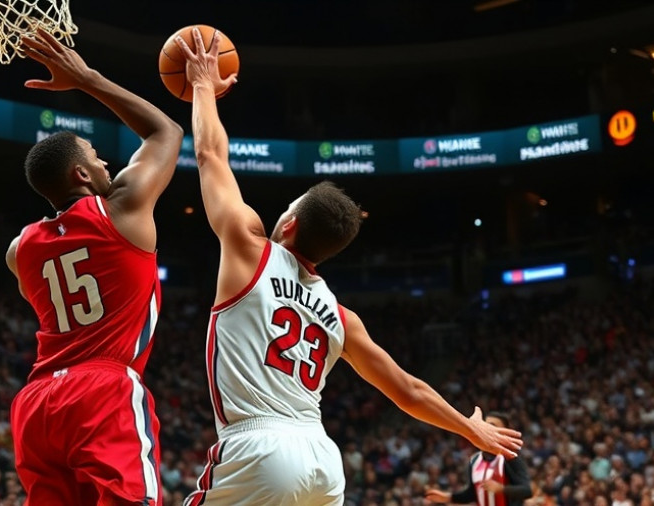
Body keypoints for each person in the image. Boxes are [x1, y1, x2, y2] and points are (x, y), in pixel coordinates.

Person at [175, 28, 524, 506]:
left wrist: (201, 84)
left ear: (289, 224)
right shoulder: (341, 317)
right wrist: (468, 427)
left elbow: (210, 154)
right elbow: (407, 389)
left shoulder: (249, 251)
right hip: (322, 458)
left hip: (259, 447)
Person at [6, 27, 183, 505]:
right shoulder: (122, 211)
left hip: (37, 401)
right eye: (97, 158)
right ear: (82, 174)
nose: (107, 164)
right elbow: (166, 132)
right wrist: (86, 79)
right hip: (100, 388)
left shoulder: (19, 250)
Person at [425, 412, 532, 506]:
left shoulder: (510, 458)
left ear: (505, 432)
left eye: (492, 426)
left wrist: (501, 489)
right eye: (485, 425)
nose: (487, 428)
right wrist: (449, 497)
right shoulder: (475, 460)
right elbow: (472, 494)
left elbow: (527, 491)